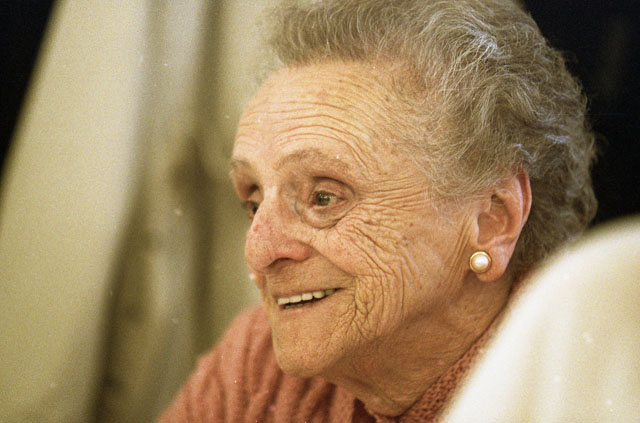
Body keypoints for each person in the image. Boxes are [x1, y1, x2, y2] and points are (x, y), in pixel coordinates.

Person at [159, 0, 597, 421]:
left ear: (492, 219)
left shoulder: (589, 386)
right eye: (254, 203)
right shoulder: (258, 366)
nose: (258, 253)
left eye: (323, 198)